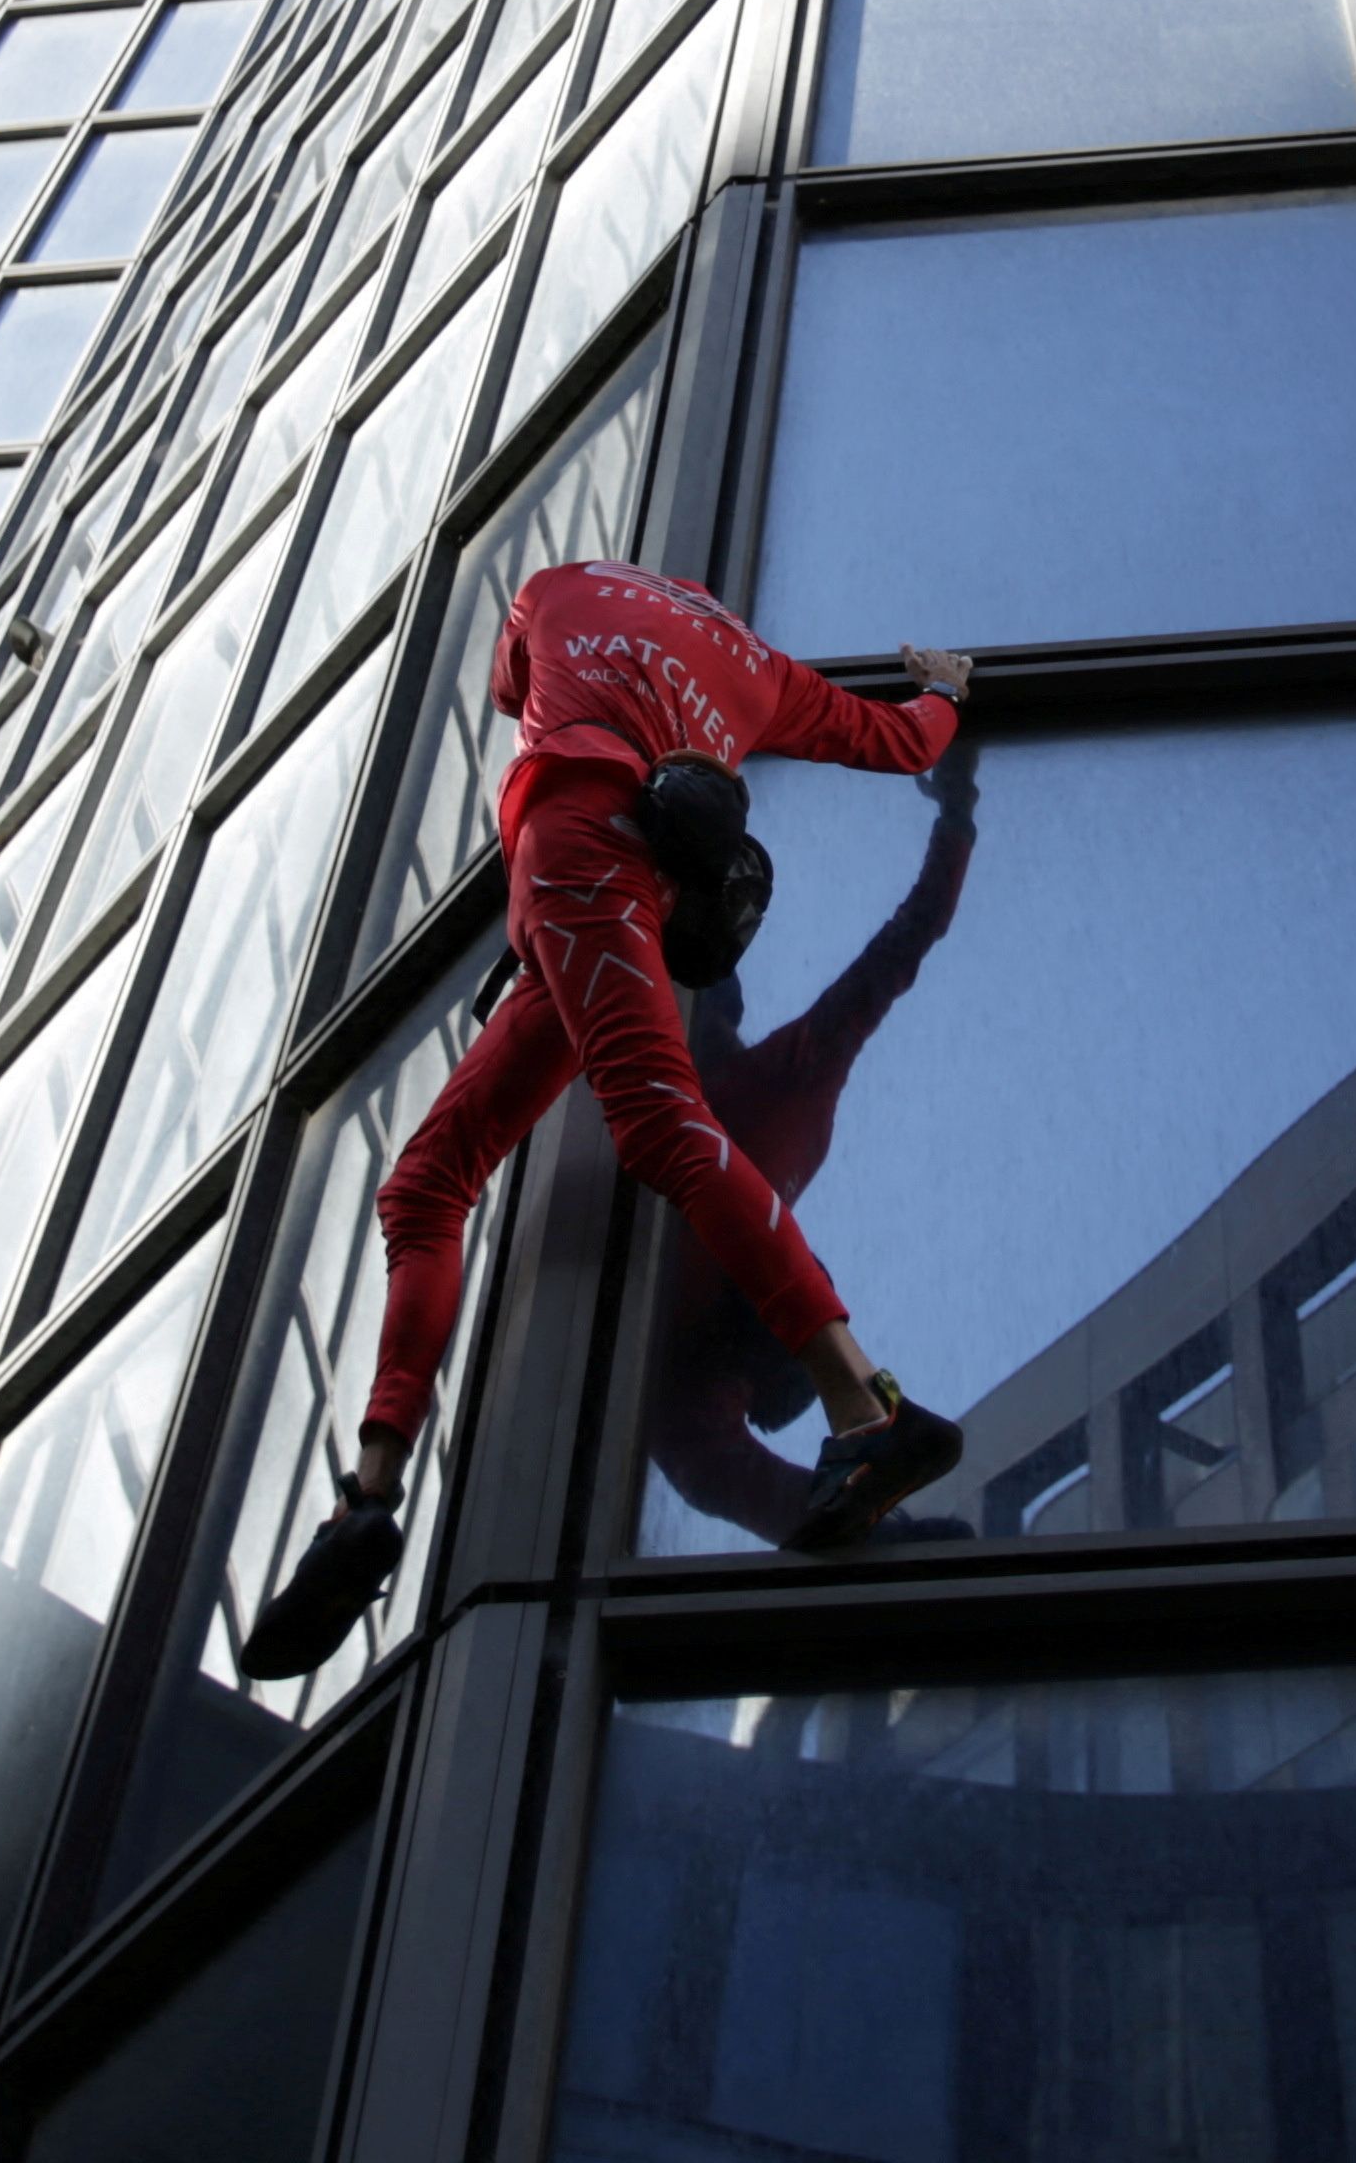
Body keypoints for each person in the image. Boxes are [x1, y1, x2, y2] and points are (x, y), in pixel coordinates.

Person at [240, 564, 968, 1677]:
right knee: (428, 1178)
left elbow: (504, 693)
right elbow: (903, 742)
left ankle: (866, 1408)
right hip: (615, 895)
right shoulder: (762, 673)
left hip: (578, 852)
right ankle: (365, 1505)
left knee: (654, 1129)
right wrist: (948, 696)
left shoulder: (556, 584)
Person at [641, 727, 978, 1546]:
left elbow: (740, 1481)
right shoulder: (786, 1101)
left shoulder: (694, 1377)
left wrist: (957, 813)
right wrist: (956, 814)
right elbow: (901, 949)